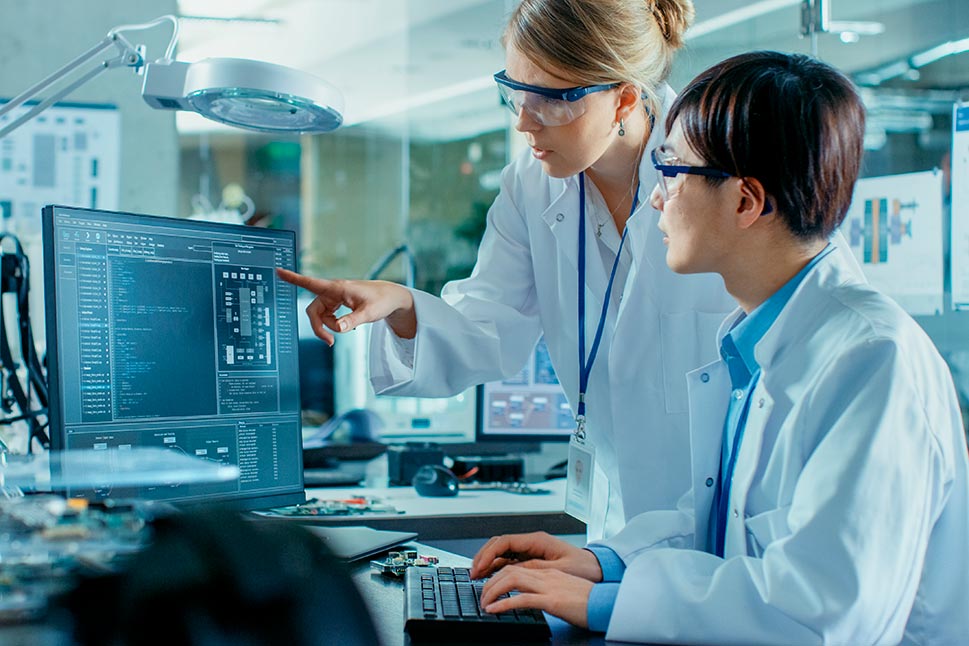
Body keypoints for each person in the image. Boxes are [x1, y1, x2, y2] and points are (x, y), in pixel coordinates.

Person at [470, 51, 969, 644]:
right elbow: (731, 527)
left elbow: (817, 613)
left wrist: (605, 604)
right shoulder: (762, 339)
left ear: (745, 201)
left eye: (673, 171)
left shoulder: (871, 362)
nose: (656, 197)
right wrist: (606, 564)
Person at [280, 0, 737, 541]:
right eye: (515, 92)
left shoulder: (716, 167)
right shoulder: (531, 184)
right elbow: (489, 328)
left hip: (726, 516)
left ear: (624, 98)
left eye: (550, 100)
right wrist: (400, 305)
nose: (523, 121)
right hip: (618, 524)